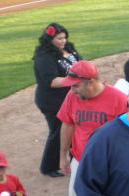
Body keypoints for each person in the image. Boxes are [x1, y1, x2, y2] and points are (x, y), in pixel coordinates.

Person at [57, 60, 128, 196]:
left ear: (90, 82)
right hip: (81, 160)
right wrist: (63, 155)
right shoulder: (72, 97)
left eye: (76, 85)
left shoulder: (118, 99)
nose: (72, 90)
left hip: (109, 165)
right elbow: (68, 123)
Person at [33, 23, 81, 178]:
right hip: (52, 101)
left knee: (75, 129)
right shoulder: (44, 56)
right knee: (58, 132)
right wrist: (75, 79)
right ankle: (48, 167)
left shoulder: (69, 48)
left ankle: (77, 159)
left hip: (70, 98)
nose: (63, 41)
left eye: (64, 37)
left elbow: (81, 64)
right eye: (59, 38)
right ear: (50, 38)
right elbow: (51, 81)